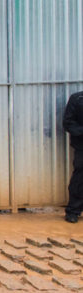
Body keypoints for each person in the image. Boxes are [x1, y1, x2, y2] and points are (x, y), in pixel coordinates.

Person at [62, 91, 83, 223]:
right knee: (80, 177)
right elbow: (68, 122)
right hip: (82, 146)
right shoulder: (77, 98)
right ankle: (73, 211)